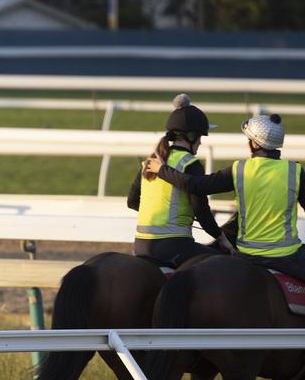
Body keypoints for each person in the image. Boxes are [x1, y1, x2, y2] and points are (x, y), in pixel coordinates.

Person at [146, 112, 305, 279]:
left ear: (255, 145)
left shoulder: (239, 169)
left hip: (246, 254)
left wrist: (162, 170)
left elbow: (195, 185)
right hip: (286, 256)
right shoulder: (295, 172)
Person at [127, 94, 230, 266]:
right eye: (200, 137)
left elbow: (132, 202)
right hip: (173, 247)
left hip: (140, 245)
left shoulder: (149, 161)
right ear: (191, 136)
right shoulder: (190, 163)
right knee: (223, 265)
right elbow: (201, 209)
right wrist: (221, 238)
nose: (200, 143)